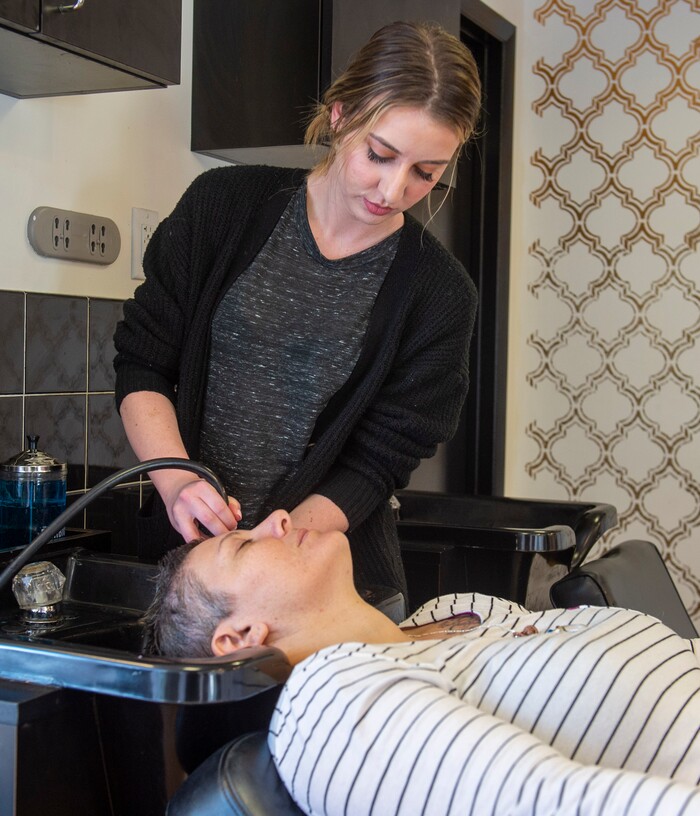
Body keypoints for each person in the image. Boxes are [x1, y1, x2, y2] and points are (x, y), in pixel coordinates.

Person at [113, 21, 480, 603]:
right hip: (180, 562)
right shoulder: (221, 205)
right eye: (379, 155)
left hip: (332, 588)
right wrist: (179, 483)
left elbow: (378, 461)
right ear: (340, 115)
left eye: (425, 173)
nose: (392, 191)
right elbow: (142, 363)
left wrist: (270, 550)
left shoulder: (441, 294)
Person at [142, 509, 700, 816]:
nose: (280, 518)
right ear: (239, 636)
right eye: (244, 544)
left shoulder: (455, 611)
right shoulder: (333, 707)